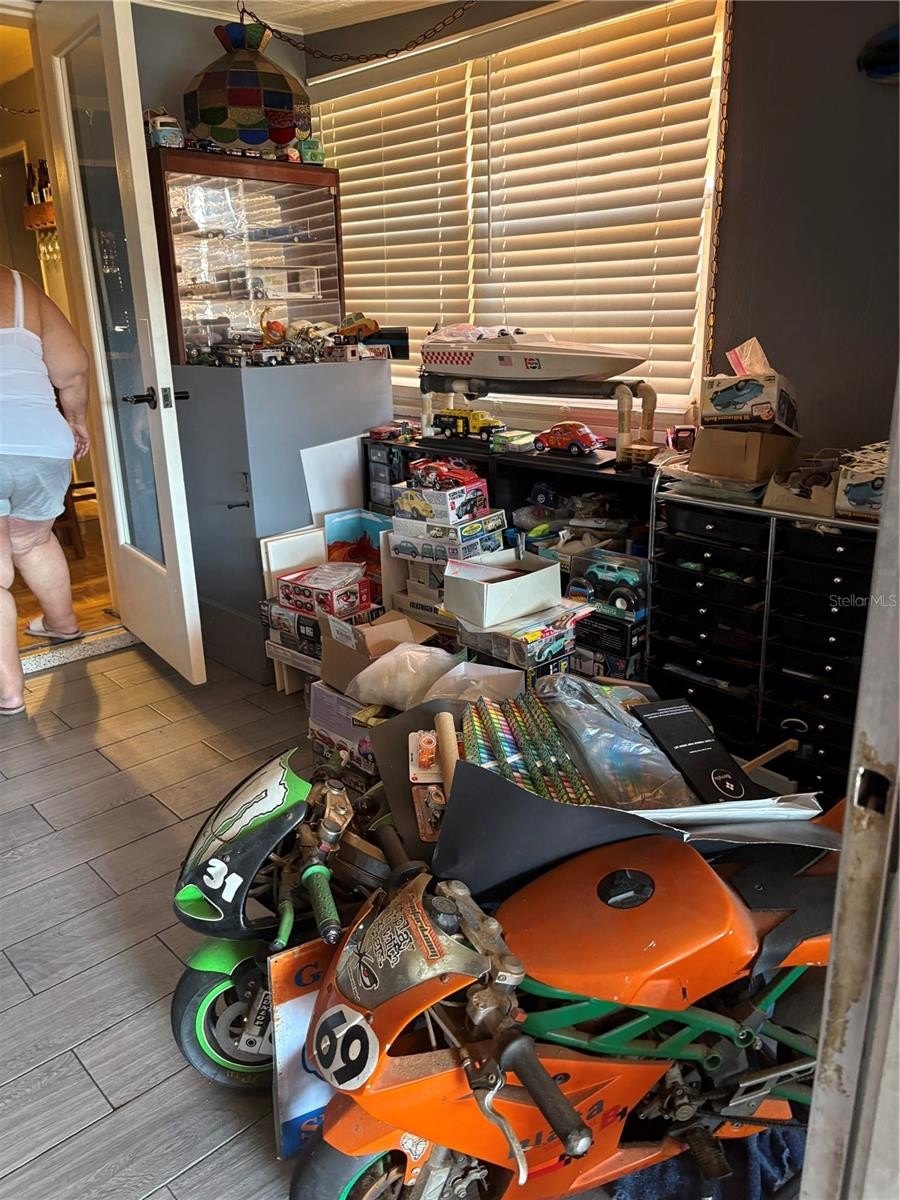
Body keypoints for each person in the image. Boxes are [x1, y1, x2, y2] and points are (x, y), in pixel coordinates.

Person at [0, 266, 91, 715]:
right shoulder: (19, 285)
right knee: (32, 540)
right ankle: (62, 623)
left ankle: (8, 691)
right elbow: (72, 369)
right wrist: (77, 421)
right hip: (41, 442)